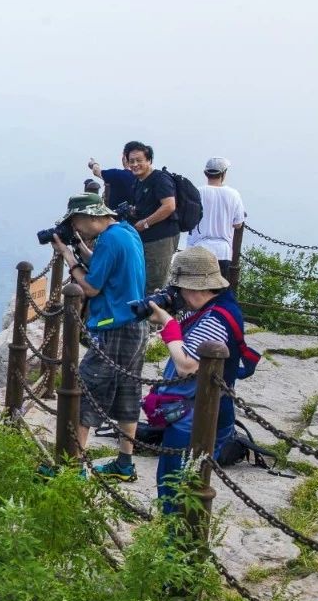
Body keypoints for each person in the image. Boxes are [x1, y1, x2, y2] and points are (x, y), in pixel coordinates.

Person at [52, 193, 147, 480]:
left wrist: (69, 256)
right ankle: (124, 463)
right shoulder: (125, 231)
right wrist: (80, 247)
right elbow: (106, 267)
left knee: (85, 390)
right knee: (128, 393)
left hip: (114, 326)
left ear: (92, 217)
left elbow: (91, 288)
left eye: (77, 222)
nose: (76, 228)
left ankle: (73, 467)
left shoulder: (109, 239)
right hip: (136, 323)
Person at [144, 247, 246, 513]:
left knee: (180, 487)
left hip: (198, 417)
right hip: (191, 411)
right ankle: (172, 536)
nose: (178, 296)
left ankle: (177, 542)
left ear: (195, 288)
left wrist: (168, 325)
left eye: (179, 290)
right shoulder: (216, 307)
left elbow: (187, 365)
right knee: (173, 482)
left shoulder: (216, 318)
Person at [123, 141, 179, 293]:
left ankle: (155, 315)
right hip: (146, 240)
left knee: (155, 285)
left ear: (149, 160)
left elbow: (169, 206)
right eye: (131, 161)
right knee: (144, 281)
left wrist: (145, 223)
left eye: (139, 160)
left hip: (161, 238)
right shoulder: (138, 182)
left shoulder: (160, 179)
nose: (135, 164)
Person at [185, 157, 246, 278]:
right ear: (223, 174)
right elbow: (238, 223)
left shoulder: (197, 192)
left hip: (198, 248)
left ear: (205, 173)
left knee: (197, 290)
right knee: (219, 291)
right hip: (222, 251)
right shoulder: (233, 194)